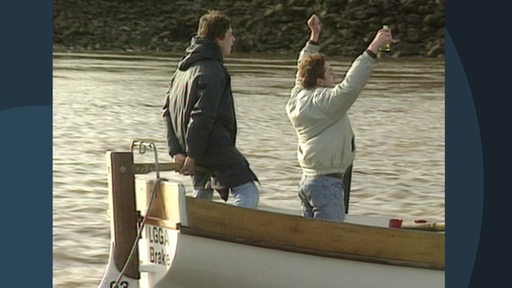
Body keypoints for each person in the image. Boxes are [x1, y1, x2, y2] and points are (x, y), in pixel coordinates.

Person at [285, 14, 396, 221]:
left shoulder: (298, 96)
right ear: (319, 80)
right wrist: (373, 48)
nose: (335, 75)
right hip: (327, 185)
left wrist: (314, 37)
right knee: (330, 240)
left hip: (309, 182)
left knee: (313, 240)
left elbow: (302, 66)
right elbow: (351, 86)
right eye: (330, 72)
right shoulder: (325, 102)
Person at [162, 10, 259, 208]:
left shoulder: (181, 71)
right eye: (230, 34)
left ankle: (196, 234)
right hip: (211, 145)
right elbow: (202, 115)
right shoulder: (213, 70)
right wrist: (193, 154)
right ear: (218, 38)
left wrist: (177, 150)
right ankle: (235, 236)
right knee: (248, 190)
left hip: (192, 146)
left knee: (202, 194)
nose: (234, 39)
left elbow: (167, 112)